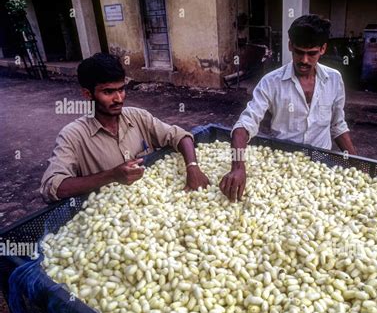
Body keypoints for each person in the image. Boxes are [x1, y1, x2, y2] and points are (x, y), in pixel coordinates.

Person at [220, 14, 356, 201]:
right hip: (283, 163)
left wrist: (356, 165)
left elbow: (338, 126)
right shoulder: (271, 82)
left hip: (321, 164)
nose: (305, 60)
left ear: (323, 49)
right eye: (299, 52)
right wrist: (237, 167)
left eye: (312, 53)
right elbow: (245, 124)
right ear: (290, 45)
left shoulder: (334, 79)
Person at [40, 53, 209, 202]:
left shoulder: (138, 116)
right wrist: (111, 175)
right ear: (87, 94)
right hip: (111, 210)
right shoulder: (72, 135)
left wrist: (192, 166)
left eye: (121, 89)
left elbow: (179, 135)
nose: (119, 99)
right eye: (108, 92)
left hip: (155, 201)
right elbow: (52, 187)